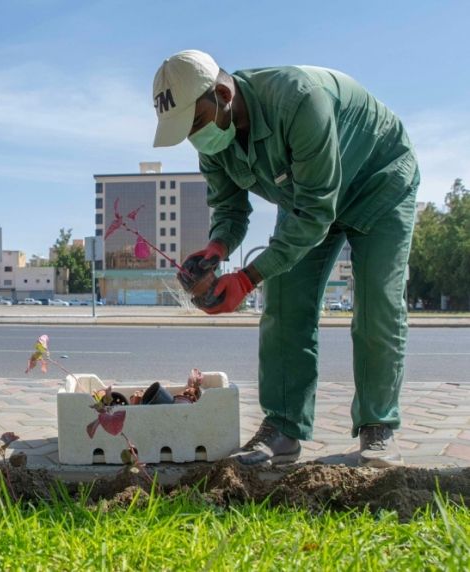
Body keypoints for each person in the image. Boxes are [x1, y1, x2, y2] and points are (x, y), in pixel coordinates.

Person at [153, 50, 419, 468]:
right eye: (186, 129)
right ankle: (282, 428)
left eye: (196, 122)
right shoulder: (213, 140)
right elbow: (229, 209)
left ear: (223, 94)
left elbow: (315, 214)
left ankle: (378, 426)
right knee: (284, 302)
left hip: (378, 182)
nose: (194, 136)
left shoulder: (299, 101)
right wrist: (216, 249)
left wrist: (246, 278)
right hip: (307, 197)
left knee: (378, 305)